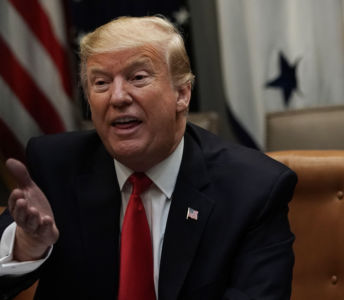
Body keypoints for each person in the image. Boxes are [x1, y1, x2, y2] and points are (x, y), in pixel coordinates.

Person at [0, 16, 297, 300]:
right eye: (101, 83)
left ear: (182, 93)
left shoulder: (253, 188)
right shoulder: (57, 166)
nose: (117, 97)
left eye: (137, 78)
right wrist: (27, 247)